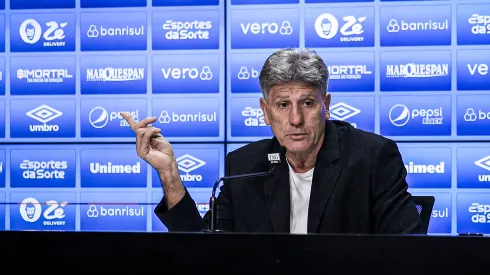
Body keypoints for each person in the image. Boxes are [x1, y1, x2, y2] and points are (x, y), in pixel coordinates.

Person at [121, 48, 424, 234]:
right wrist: (170, 175)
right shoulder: (244, 166)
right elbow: (204, 253)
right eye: (282, 105)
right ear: (265, 111)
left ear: (326, 105)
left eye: (307, 103)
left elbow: (406, 251)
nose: (295, 119)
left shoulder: (372, 158)